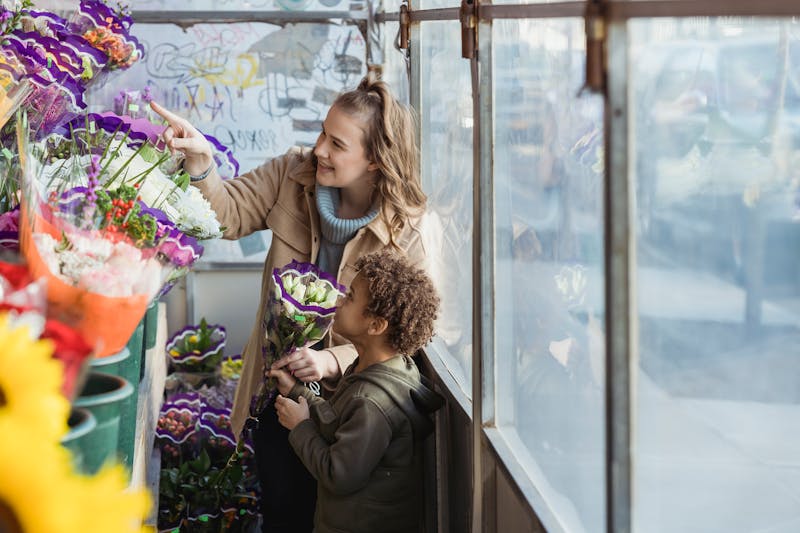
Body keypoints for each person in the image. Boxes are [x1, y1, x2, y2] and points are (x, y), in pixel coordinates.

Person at [150, 74, 430, 533]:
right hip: (278, 393)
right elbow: (227, 214)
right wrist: (201, 163)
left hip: (350, 410)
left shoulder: (407, 230)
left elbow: (404, 332)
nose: (319, 149)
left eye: (337, 143)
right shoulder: (291, 173)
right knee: (284, 511)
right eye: (322, 132)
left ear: (376, 161)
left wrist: (330, 361)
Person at [268, 251, 443, 533]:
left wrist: (299, 427)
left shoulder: (373, 403)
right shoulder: (379, 368)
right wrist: (298, 391)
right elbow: (338, 421)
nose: (338, 300)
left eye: (350, 297)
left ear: (375, 325)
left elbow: (338, 475)